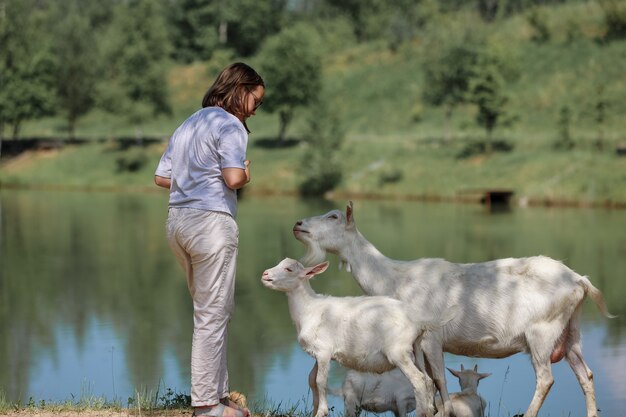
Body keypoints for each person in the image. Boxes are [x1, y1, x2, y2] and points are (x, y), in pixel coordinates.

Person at [154, 62, 265, 417]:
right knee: (212, 315)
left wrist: (195, 178)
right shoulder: (231, 125)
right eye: (255, 100)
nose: (256, 108)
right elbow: (232, 178)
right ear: (239, 90)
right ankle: (206, 408)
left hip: (178, 223)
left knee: (211, 311)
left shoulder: (190, 122)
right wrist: (246, 173)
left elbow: (161, 177)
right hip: (210, 224)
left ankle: (218, 395)